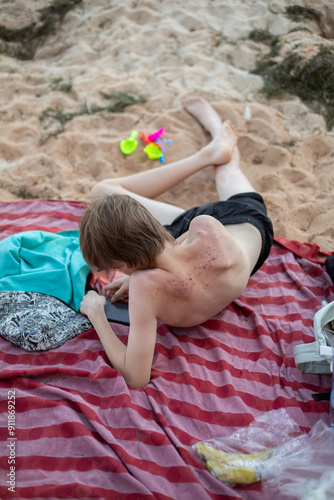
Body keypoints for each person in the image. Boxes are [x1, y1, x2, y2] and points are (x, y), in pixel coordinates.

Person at [79, 97, 274, 388]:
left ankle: (211, 147)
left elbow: (136, 377)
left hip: (241, 234)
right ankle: (214, 145)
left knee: (101, 191)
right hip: (250, 229)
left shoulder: (147, 287)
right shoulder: (203, 226)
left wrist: (97, 314)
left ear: (130, 263)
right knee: (228, 173)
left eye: (116, 267)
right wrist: (135, 277)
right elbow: (181, 257)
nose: (117, 273)